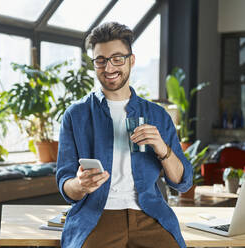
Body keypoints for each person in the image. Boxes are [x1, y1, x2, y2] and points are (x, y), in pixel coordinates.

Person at [56, 22, 193, 248]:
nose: (109, 68)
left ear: (131, 60)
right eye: (100, 60)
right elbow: (66, 185)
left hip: (150, 216)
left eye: (117, 58)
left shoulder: (157, 115)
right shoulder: (75, 115)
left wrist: (162, 149)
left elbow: (182, 182)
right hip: (97, 216)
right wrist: (80, 185)